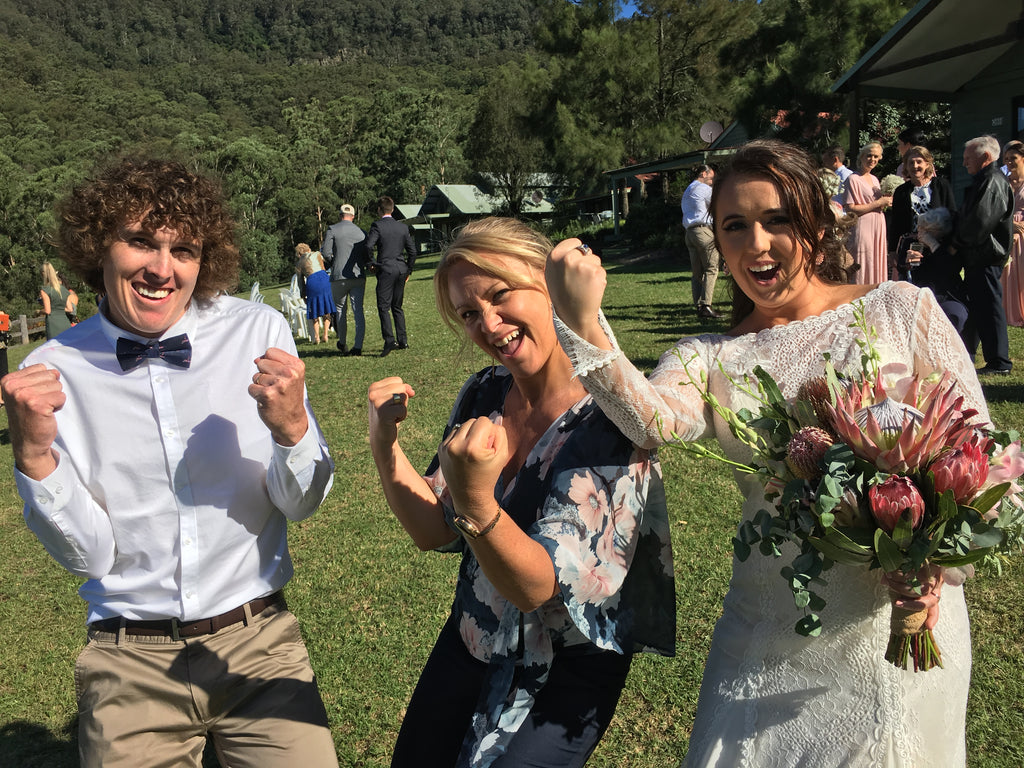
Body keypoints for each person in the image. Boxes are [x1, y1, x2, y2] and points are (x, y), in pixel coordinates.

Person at [547, 140, 986, 767]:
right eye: (735, 226)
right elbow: (651, 421)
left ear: (815, 220)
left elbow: (983, 454)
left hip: (892, 618)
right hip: (764, 627)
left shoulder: (899, 308)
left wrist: (936, 564)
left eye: (777, 220)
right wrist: (583, 321)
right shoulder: (710, 355)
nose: (757, 244)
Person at [1, 158, 338, 768]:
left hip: (259, 643)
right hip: (129, 658)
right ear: (96, 247)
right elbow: (89, 557)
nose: (162, 268)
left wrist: (293, 430)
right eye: (139, 242)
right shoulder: (53, 369)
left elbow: (301, 504)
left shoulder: (257, 332)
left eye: (183, 248)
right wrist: (32, 456)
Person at [368, 217, 675, 767]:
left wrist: (478, 501)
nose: (489, 323)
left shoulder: (613, 418)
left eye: (500, 294)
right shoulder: (486, 392)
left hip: (566, 670)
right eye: (469, 313)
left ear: (549, 280)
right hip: (475, 635)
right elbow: (434, 531)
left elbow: (538, 585)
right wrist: (385, 444)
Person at [952, 135, 1015, 374]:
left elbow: (979, 222)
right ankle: (972, 354)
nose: (964, 163)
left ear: (985, 157)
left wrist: (956, 243)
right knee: (979, 305)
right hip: (980, 255)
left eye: (968, 158)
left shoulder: (992, 182)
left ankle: (1000, 361)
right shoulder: (986, 180)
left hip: (986, 255)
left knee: (989, 306)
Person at [887, 145, 956, 279]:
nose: (915, 166)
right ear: (905, 166)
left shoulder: (941, 185)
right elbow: (895, 223)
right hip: (911, 246)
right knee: (912, 284)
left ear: (927, 164)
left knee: (938, 284)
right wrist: (892, 251)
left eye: (919, 162)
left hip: (936, 244)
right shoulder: (901, 191)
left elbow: (952, 214)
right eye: (910, 162)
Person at [364, 195, 416, 356]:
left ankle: (389, 340)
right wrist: (408, 269)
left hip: (386, 269)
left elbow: (368, 245)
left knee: (383, 306)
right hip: (401, 269)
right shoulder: (402, 227)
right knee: (397, 306)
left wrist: (372, 262)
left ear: (379, 210)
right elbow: (413, 251)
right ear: (392, 209)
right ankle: (403, 340)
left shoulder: (377, 226)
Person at [321, 203, 368, 355]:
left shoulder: (332, 230)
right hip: (357, 275)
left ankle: (342, 342)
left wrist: (334, 261)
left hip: (338, 276)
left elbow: (326, 253)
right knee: (358, 311)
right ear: (353, 216)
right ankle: (358, 346)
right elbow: (366, 254)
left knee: (340, 310)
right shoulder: (362, 233)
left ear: (340, 215)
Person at [844, 141, 892, 284]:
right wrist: (878, 203)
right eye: (869, 156)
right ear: (862, 156)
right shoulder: (853, 179)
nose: (872, 160)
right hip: (863, 226)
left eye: (876, 157)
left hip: (878, 225)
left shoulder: (875, 180)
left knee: (876, 259)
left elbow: (879, 205)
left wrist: (886, 202)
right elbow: (850, 208)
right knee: (864, 260)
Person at [681, 164, 722, 319]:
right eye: (711, 178)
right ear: (704, 174)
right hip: (703, 230)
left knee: (697, 272)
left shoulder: (688, 190)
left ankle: (698, 305)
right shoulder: (704, 189)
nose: (712, 182)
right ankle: (706, 305)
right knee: (712, 268)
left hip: (689, 232)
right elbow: (718, 205)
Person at [1000, 140, 1024, 327]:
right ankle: (1008, 310)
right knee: (1007, 273)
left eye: (1013, 158)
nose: (1009, 162)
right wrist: (1009, 224)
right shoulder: (1003, 183)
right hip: (1006, 231)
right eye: (1006, 159)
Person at [297, 242, 334, 344]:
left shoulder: (299, 263)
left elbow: (300, 282)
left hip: (312, 282)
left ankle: (316, 337)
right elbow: (326, 264)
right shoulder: (317, 254)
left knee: (314, 310)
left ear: (299, 253)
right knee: (327, 308)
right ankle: (325, 334)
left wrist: (303, 294)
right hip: (324, 279)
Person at [39, 261, 73, 339]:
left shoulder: (45, 290)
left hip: (53, 324)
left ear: (43, 274)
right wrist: (58, 307)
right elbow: (70, 309)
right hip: (65, 322)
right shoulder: (63, 289)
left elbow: (48, 311)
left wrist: (39, 311)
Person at [821, 145, 854, 211]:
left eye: (825, 160)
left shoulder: (846, 175)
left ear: (835, 159)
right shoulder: (831, 174)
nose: (823, 164)